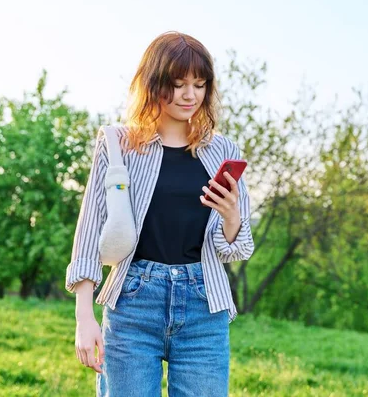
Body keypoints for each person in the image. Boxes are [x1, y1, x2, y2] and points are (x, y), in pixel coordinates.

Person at [65, 30, 255, 396]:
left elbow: (236, 249)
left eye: (199, 85)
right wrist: (83, 317)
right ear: (153, 83)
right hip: (134, 302)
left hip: (204, 304)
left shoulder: (222, 151)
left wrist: (231, 216)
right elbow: (89, 229)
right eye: (179, 83)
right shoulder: (118, 144)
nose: (190, 95)